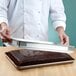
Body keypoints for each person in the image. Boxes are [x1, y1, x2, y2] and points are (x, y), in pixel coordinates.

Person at [0, 0, 69, 45]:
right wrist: (3, 25)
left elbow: (58, 12)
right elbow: (1, 8)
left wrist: (61, 31)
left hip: (40, 43)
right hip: (14, 41)